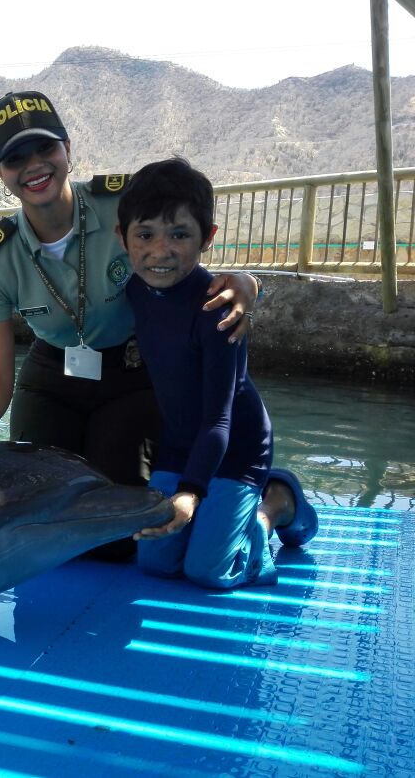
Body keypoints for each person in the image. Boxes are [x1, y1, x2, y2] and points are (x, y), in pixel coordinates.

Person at [0, 90, 278, 560]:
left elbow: (185, 246)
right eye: (16, 158)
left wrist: (248, 282)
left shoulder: (120, 204)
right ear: (0, 172)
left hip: (134, 372)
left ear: (68, 149)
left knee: (116, 538)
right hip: (53, 374)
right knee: (38, 517)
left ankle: (266, 491)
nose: (34, 165)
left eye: (45, 148)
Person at [116, 158, 318, 588]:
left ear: (207, 237)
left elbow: (219, 419)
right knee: (154, 559)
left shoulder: (219, 312)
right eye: (145, 234)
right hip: (180, 443)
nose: (160, 251)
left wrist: (191, 492)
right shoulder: (134, 289)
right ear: (123, 237)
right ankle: (219, 510)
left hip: (237, 446)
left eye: (180, 235)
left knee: (209, 571)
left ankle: (276, 505)